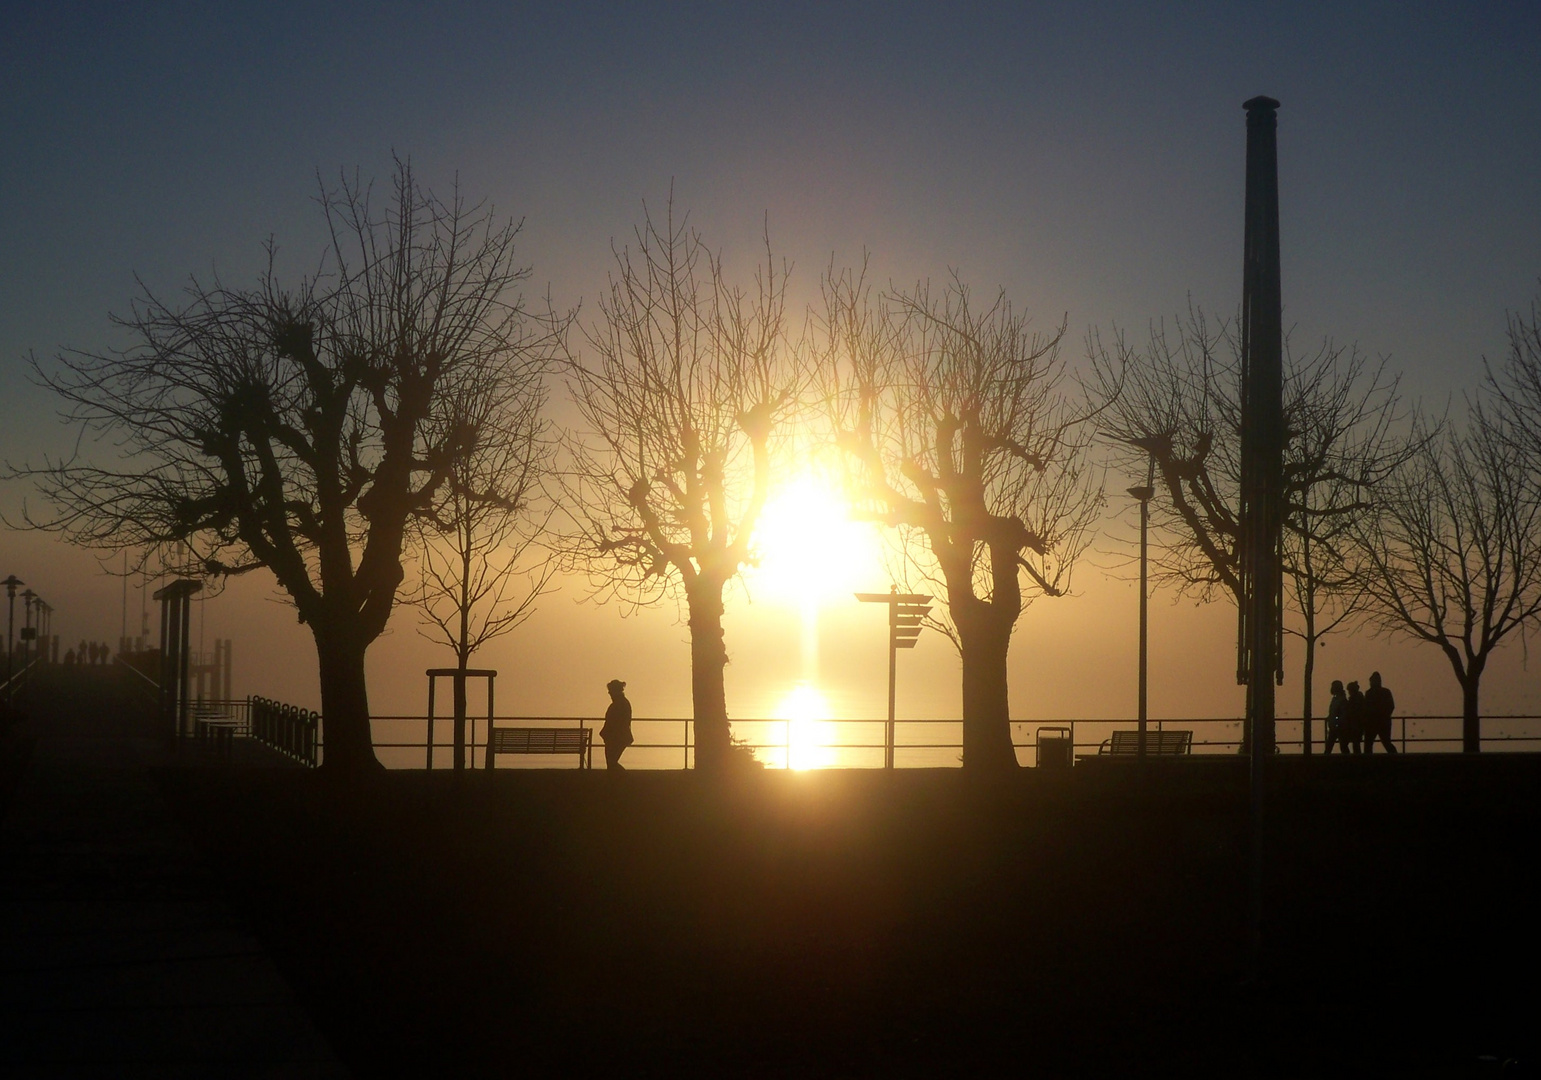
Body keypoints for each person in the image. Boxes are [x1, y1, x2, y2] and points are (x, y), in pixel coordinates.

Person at [600, 679, 633, 771]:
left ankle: (624, 779)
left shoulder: (619, 704)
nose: (609, 693)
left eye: (610, 691)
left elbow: (617, 722)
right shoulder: (622, 703)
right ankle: (617, 780)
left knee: (611, 762)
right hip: (615, 737)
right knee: (611, 762)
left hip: (616, 738)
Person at [1363, 671, 1397, 754]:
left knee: (1368, 744)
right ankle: (1396, 758)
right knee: (1386, 742)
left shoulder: (1369, 693)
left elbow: (1366, 708)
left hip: (1372, 722)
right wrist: (1385, 715)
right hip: (1384, 721)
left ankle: (1366, 763)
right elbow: (1391, 706)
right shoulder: (1386, 692)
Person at [1323, 679, 1349, 754]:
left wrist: (1337, 723)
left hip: (1339, 727)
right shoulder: (1337, 699)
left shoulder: (1341, 700)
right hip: (1335, 726)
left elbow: (1343, 714)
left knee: (1338, 746)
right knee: (1341, 746)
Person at [1343, 680, 1366, 755]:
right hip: (1357, 724)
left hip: (1355, 724)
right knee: (1356, 744)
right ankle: (1356, 759)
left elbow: (1352, 712)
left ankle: (1354, 759)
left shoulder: (1354, 700)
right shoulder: (1359, 698)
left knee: (1354, 743)